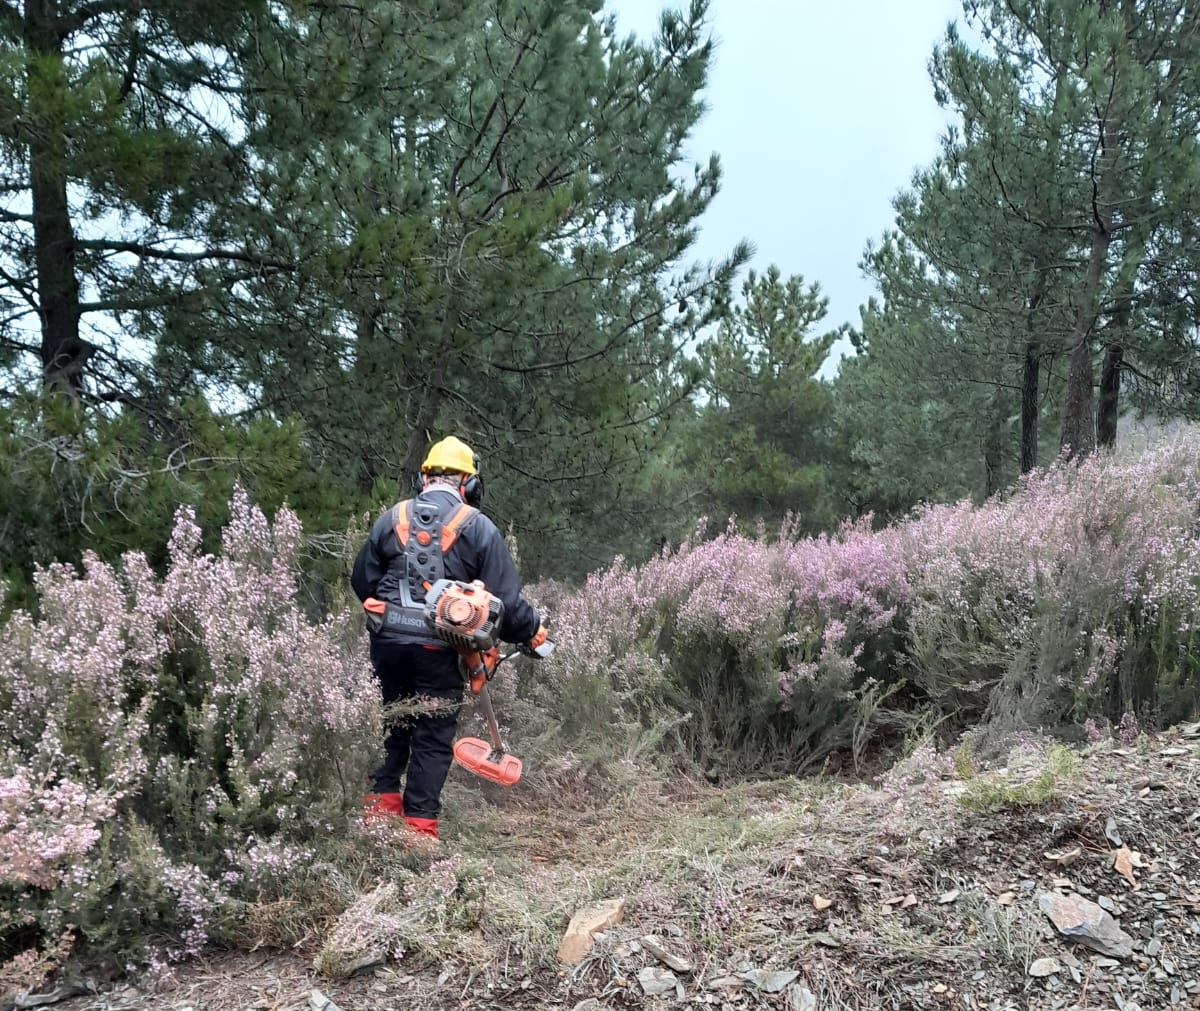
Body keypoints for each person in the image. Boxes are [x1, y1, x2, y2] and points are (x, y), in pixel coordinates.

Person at [350, 435, 546, 839]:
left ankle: (378, 815)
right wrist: (532, 633)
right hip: (438, 650)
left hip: (387, 645)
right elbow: (507, 603)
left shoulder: (391, 518)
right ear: (468, 484)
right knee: (432, 735)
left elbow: (362, 582)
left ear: (424, 479)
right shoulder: (478, 527)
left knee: (390, 722)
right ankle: (419, 832)